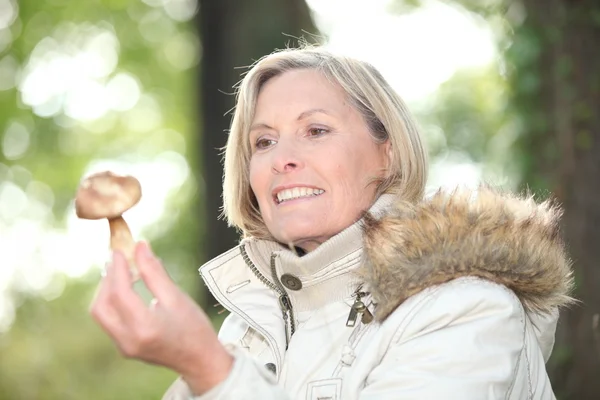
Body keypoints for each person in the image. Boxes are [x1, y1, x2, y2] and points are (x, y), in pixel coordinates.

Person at [90, 46, 574, 399]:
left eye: (315, 130)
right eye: (263, 142)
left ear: (387, 153)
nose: (283, 159)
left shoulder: (467, 307)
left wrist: (210, 369)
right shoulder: (245, 333)